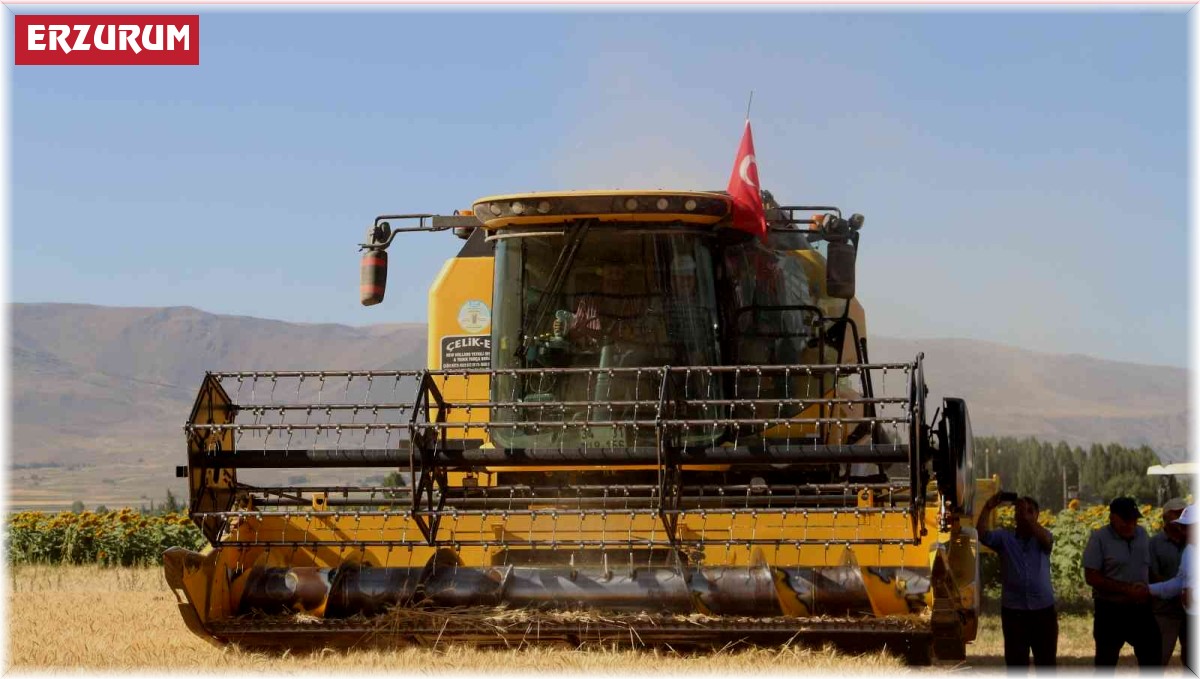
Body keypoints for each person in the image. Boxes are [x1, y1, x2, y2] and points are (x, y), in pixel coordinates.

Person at [978, 492, 1058, 668]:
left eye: (1030, 511)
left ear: (1037, 515)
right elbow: (982, 534)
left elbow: (1047, 541)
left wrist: (1029, 520)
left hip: (1043, 612)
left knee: (1046, 663)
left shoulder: (1044, 536)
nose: (1024, 514)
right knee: (1016, 664)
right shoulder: (1004, 538)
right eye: (1020, 511)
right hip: (1015, 613)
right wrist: (988, 506)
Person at [1082, 496, 1161, 667]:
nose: (1130, 524)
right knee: (1106, 662)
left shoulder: (1142, 534)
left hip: (1141, 609)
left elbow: (1148, 568)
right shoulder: (1099, 538)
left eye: (1134, 519)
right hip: (1110, 611)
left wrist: (1156, 589)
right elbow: (1092, 577)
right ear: (1112, 518)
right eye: (1125, 520)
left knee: (1152, 657)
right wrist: (1126, 589)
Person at [1149, 503, 1195, 672]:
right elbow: (1180, 582)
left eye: (1187, 527)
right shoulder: (1190, 550)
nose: (1183, 532)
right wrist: (1148, 589)